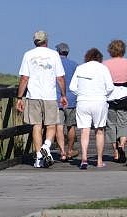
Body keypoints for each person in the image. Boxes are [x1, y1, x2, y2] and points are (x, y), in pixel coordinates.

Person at [16, 30, 67, 168]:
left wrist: (19, 97)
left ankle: (38, 158)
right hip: (50, 96)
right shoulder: (54, 54)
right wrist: (63, 95)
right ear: (46, 41)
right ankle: (47, 145)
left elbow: (24, 78)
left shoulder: (28, 55)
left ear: (34, 41)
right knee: (51, 125)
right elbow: (60, 78)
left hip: (33, 95)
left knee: (36, 126)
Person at [70, 48, 114, 169]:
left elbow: (72, 87)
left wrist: (82, 93)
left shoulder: (80, 68)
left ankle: (84, 158)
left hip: (83, 102)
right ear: (99, 58)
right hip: (99, 101)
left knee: (85, 131)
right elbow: (110, 87)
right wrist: (104, 94)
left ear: (87, 57)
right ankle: (99, 161)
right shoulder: (103, 68)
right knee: (99, 131)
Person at [103, 39, 127, 164]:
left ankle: (115, 152)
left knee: (111, 124)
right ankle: (122, 145)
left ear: (110, 50)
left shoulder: (105, 64)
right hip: (125, 95)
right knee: (124, 123)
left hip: (109, 96)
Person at [55, 42, 79, 162]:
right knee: (71, 126)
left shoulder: (54, 64)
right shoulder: (75, 65)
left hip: (57, 98)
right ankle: (70, 150)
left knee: (59, 127)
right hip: (71, 100)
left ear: (57, 52)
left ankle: (62, 152)